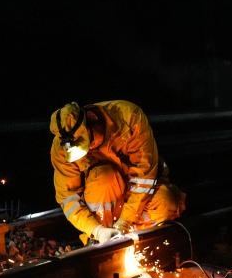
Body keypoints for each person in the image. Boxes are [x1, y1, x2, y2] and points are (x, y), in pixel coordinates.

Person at [50, 100, 185, 245]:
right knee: (103, 178)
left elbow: (144, 178)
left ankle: (135, 240)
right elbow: (69, 198)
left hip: (139, 196)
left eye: (89, 143)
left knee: (166, 202)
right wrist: (96, 230)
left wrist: (125, 222)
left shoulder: (129, 118)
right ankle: (103, 241)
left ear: (92, 119)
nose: (90, 150)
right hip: (106, 202)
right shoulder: (62, 151)